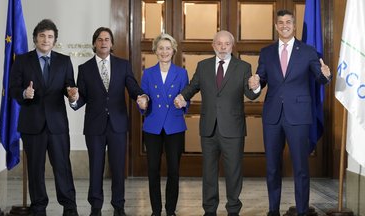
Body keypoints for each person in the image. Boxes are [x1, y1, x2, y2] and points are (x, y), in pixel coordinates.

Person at [253, 10, 331, 216]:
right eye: (281, 22)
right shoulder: (266, 52)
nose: (284, 25)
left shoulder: (307, 51)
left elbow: (320, 78)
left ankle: (303, 211)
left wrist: (326, 75)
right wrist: (255, 85)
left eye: (288, 22)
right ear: (276, 26)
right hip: (272, 116)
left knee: (301, 168)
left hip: (299, 115)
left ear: (294, 26)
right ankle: (273, 210)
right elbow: (260, 79)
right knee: (272, 168)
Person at [174, 30, 260, 216]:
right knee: (209, 172)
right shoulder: (203, 66)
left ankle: (233, 210)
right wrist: (181, 96)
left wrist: (256, 86)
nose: (222, 47)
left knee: (233, 172)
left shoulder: (243, 67)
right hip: (209, 128)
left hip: (233, 129)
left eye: (226, 44)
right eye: (219, 43)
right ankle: (210, 210)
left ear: (232, 46)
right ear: (213, 45)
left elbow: (251, 94)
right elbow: (192, 86)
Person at [69, 27, 148, 216]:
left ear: (112, 44)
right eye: (99, 39)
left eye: (107, 39)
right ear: (94, 43)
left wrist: (141, 96)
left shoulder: (123, 65)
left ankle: (118, 206)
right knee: (95, 166)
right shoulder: (84, 68)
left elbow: (133, 87)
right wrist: (73, 98)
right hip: (94, 126)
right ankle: (95, 206)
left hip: (118, 124)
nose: (103, 42)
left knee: (118, 167)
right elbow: (81, 99)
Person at [9, 19, 79, 216]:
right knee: (35, 169)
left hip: (57, 124)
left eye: (50, 36)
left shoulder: (64, 61)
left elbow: (69, 86)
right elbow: (13, 88)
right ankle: (38, 207)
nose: (46, 40)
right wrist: (24, 94)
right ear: (35, 38)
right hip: (32, 125)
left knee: (62, 167)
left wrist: (72, 94)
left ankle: (70, 207)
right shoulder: (22, 60)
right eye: (42, 36)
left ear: (55, 40)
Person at [139, 33, 189, 216]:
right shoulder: (148, 73)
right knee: (153, 170)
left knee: (174, 171)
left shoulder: (182, 73)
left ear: (173, 50)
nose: (164, 51)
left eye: (168, 48)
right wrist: (142, 102)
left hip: (174, 126)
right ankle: (156, 211)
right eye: (161, 48)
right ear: (155, 51)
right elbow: (143, 96)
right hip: (153, 126)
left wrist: (184, 103)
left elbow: (186, 97)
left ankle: (170, 210)